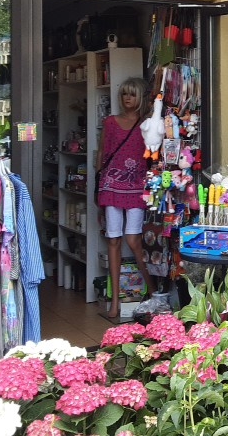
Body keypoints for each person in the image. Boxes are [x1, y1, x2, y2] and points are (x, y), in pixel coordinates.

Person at [95, 76, 156, 318]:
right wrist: (98, 185)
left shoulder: (147, 124)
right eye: (124, 94)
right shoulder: (110, 122)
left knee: (133, 240)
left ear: (140, 97)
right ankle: (115, 302)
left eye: (132, 94)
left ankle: (153, 291)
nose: (127, 98)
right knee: (113, 240)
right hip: (111, 186)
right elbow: (102, 152)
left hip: (137, 187)